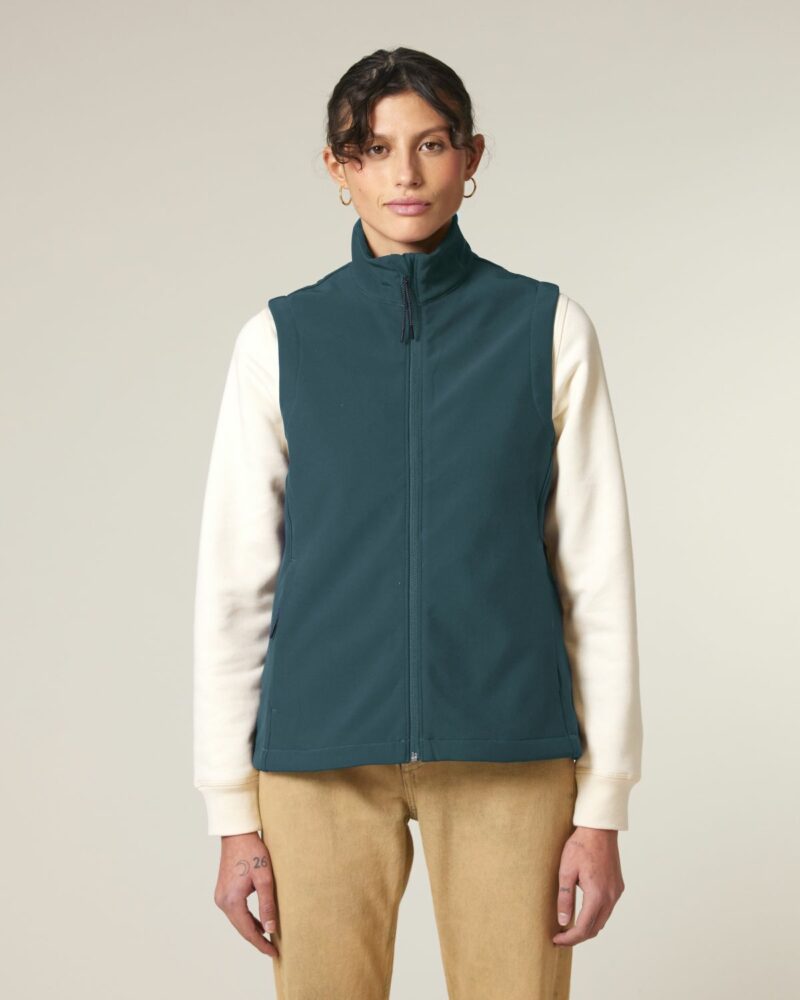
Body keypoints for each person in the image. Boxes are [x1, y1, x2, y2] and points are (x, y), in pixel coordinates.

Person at [193, 46, 643, 1000]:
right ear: (338, 166)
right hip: (318, 759)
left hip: (510, 752)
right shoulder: (280, 340)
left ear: (471, 157)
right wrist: (231, 812)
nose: (405, 173)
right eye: (375, 148)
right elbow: (236, 586)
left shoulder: (546, 328)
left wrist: (603, 805)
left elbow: (596, 578)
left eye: (432, 144)